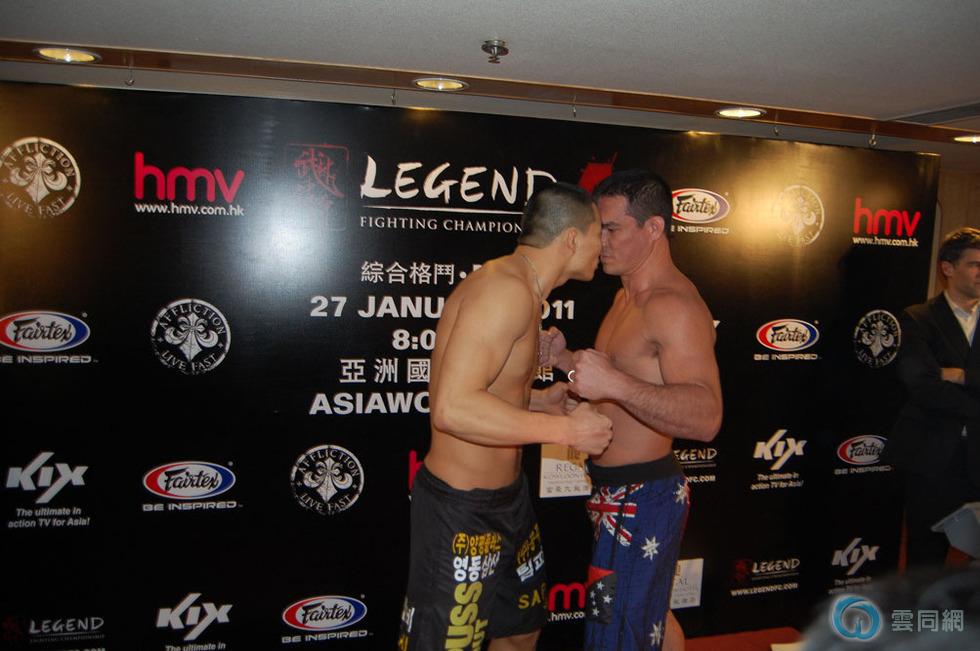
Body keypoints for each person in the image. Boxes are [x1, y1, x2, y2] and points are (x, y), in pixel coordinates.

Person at [398, 182, 614, 651]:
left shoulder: (526, 290)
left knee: (520, 630)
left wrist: (540, 403)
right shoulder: (505, 291)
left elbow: (484, 390)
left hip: (508, 501)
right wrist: (566, 429)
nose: (604, 245)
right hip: (461, 508)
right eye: (599, 232)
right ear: (572, 239)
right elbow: (452, 407)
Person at [541, 169, 722, 651]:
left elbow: (707, 416)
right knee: (646, 617)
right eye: (597, 229)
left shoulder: (671, 305)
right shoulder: (626, 296)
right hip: (615, 492)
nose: (599, 241)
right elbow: (621, 387)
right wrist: (564, 361)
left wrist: (615, 384)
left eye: (612, 229)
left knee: (620, 634)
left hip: (642, 498)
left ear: (654, 228)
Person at [891, 226, 980, 567]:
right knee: (925, 560)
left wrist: (962, 375)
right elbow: (924, 386)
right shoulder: (918, 318)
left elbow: (942, 381)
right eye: (974, 264)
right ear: (947, 268)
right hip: (932, 458)